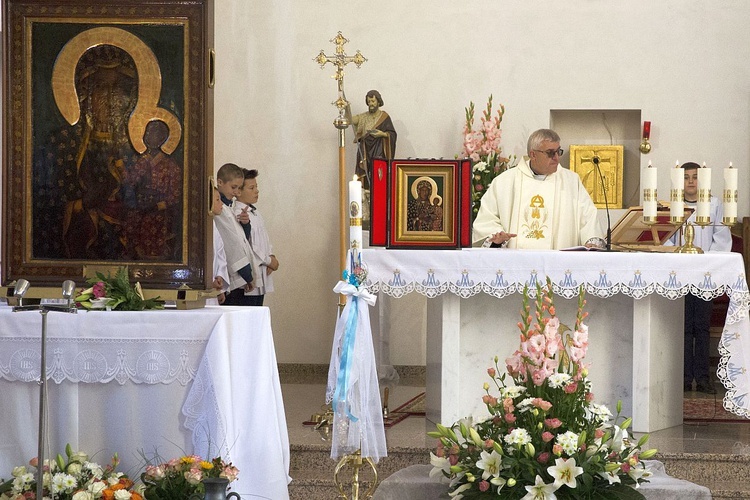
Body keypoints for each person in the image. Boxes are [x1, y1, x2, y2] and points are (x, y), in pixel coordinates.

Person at [472, 128, 605, 249]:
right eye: (550, 153)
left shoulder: (571, 181)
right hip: (515, 265)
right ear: (533, 154)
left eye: (558, 152)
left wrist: (592, 241)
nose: (556, 158)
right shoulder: (505, 181)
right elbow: (487, 219)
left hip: (558, 266)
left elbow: (588, 218)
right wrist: (497, 238)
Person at [666, 162, 732, 394]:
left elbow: (721, 237)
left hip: (705, 274)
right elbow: (666, 239)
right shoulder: (672, 205)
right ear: (679, 181)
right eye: (686, 177)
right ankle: (683, 377)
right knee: (683, 326)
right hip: (679, 273)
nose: (691, 181)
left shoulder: (713, 205)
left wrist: (707, 262)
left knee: (701, 326)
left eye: (695, 177)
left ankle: (703, 378)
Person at [214, 168, 279, 306]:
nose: (256, 191)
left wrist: (270, 255)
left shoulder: (247, 212)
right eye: (251, 188)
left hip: (253, 275)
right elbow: (237, 245)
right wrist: (267, 261)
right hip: (240, 278)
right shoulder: (228, 210)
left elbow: (251, 239)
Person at [123, 120, 182, 260]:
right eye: (147, 132)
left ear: (162, 138)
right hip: (139, 210)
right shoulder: (142, 161)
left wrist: (156, 206)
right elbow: (130, 181)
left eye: (153, 133)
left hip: (159, 215)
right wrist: (120, 168)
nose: (148, 136)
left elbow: (175, 195)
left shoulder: (171, 166)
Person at [211, 163, 255, 303]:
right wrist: (248, 276)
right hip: (234, 278)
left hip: (236, 278)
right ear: (220, 183)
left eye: (239, 188)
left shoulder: (228, 208)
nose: (236, 192)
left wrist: (245, 225)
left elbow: (242, 240)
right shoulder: (221, 211)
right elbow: (232, 246)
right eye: (233, 187)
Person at [349, 90, 397, 189]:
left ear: (378, 102)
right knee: (365, 177)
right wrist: (346, 108)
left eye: (373, 101)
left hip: (379, 151)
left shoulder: (384, 117)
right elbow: (349, 119)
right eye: (369, 101)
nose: (371, 104)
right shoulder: (363, 117)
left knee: (378, 176)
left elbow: (392, 134)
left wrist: (382, 134)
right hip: (366, 151)